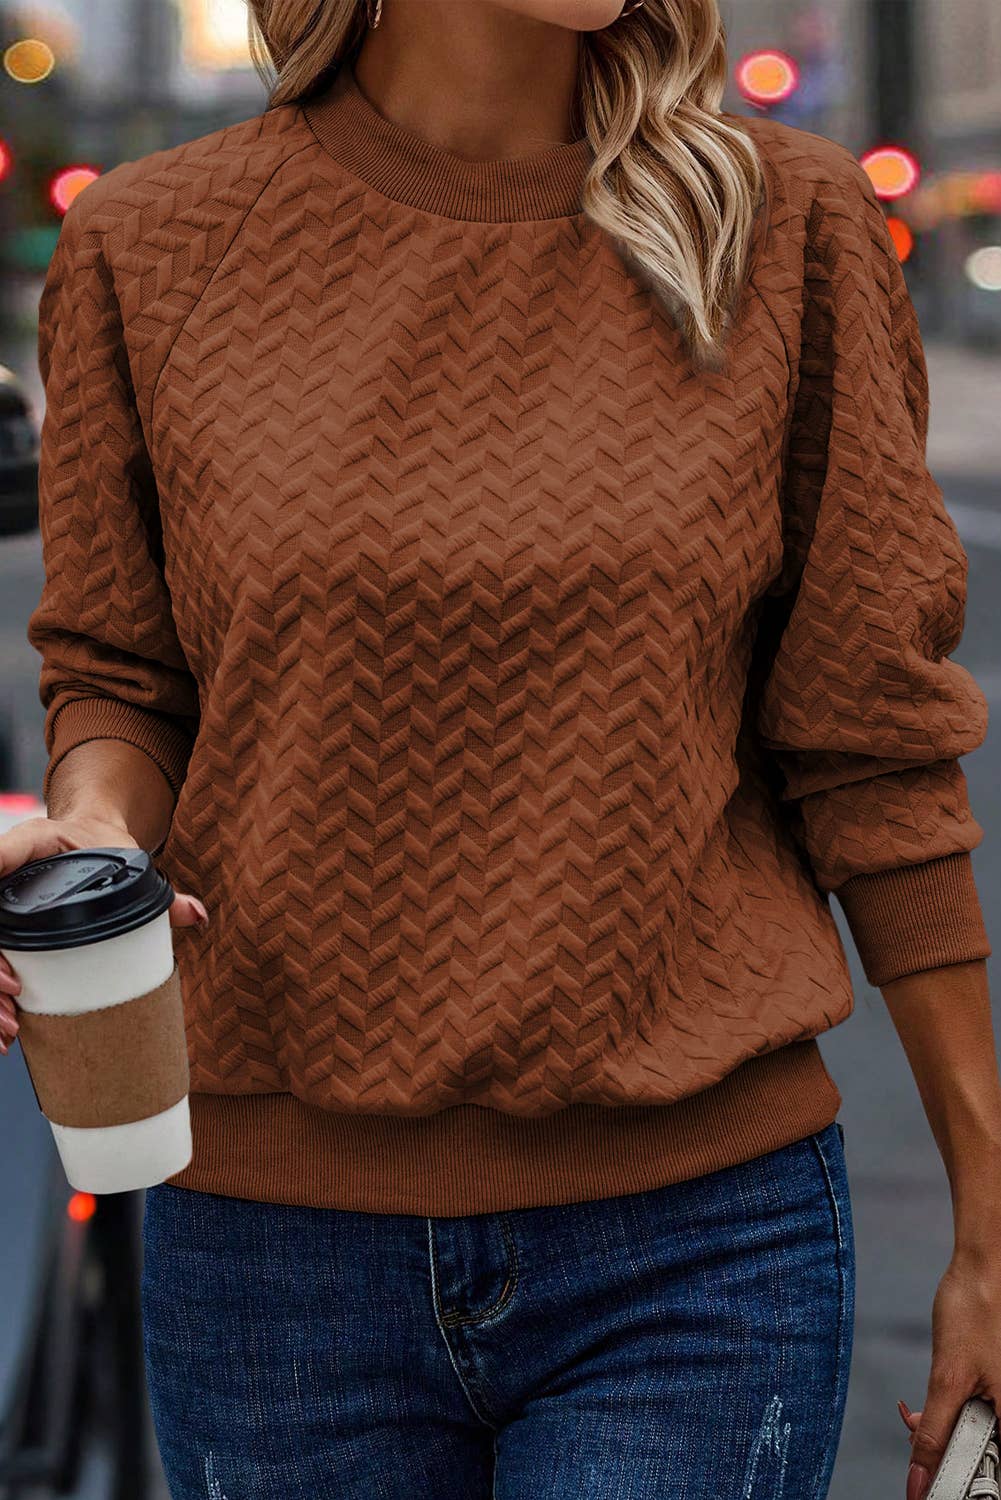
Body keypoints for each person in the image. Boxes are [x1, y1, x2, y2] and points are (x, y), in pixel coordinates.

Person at [0, 1, 996, 1495]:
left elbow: (874, 752)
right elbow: (123, 677)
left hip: (695, 1248)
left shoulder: (780, 223)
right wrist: (92, 829)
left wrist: (986, 1231)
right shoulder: (153, 247)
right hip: (273, 1251)